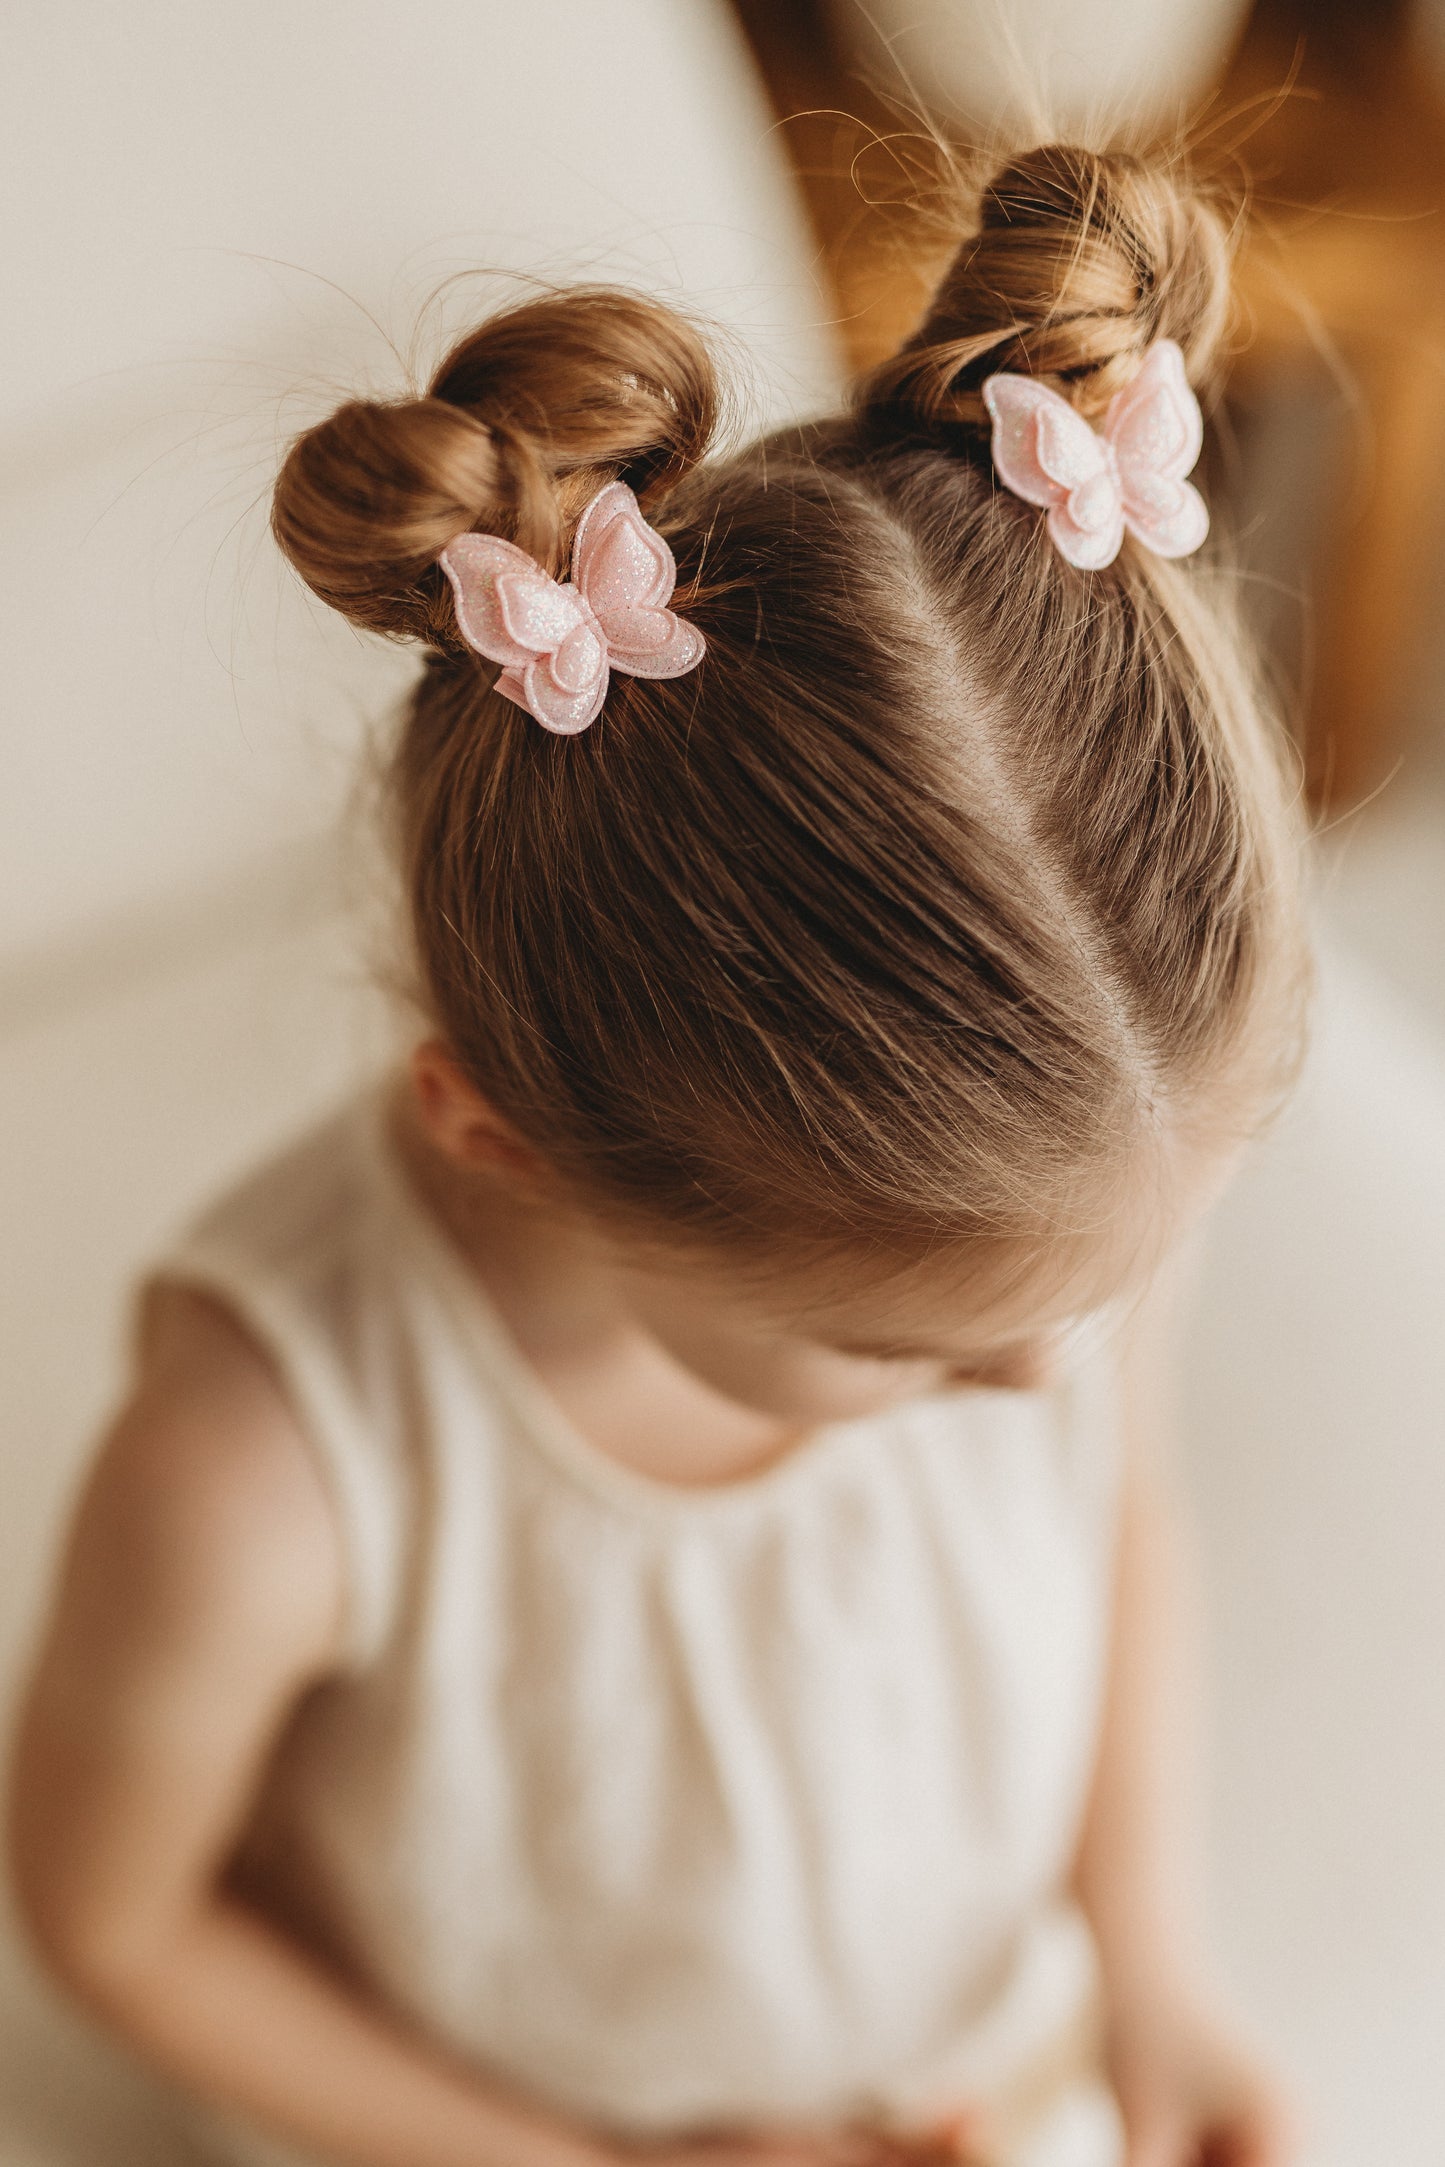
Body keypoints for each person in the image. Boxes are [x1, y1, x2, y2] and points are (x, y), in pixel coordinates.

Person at [6, 141, 1310, 2167]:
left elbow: (1120, 1525)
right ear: (503, 1142)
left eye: (1105, 1296)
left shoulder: (1053, 1241)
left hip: (974, 2069)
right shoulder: (270, 1456)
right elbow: (116, 1918)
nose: (1052, 1377)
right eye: (916, 1357)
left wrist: (1149, 1962)